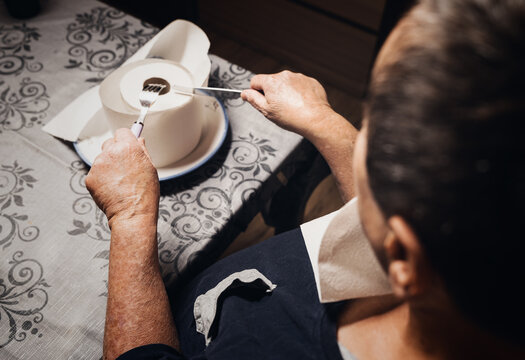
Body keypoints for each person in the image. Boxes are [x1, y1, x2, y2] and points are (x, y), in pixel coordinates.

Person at [85, 0, 525, 359]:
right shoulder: (464, 275)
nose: (359, 132)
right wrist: (325, 122)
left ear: (402, 256)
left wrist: (132, 218)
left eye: (368, 127)